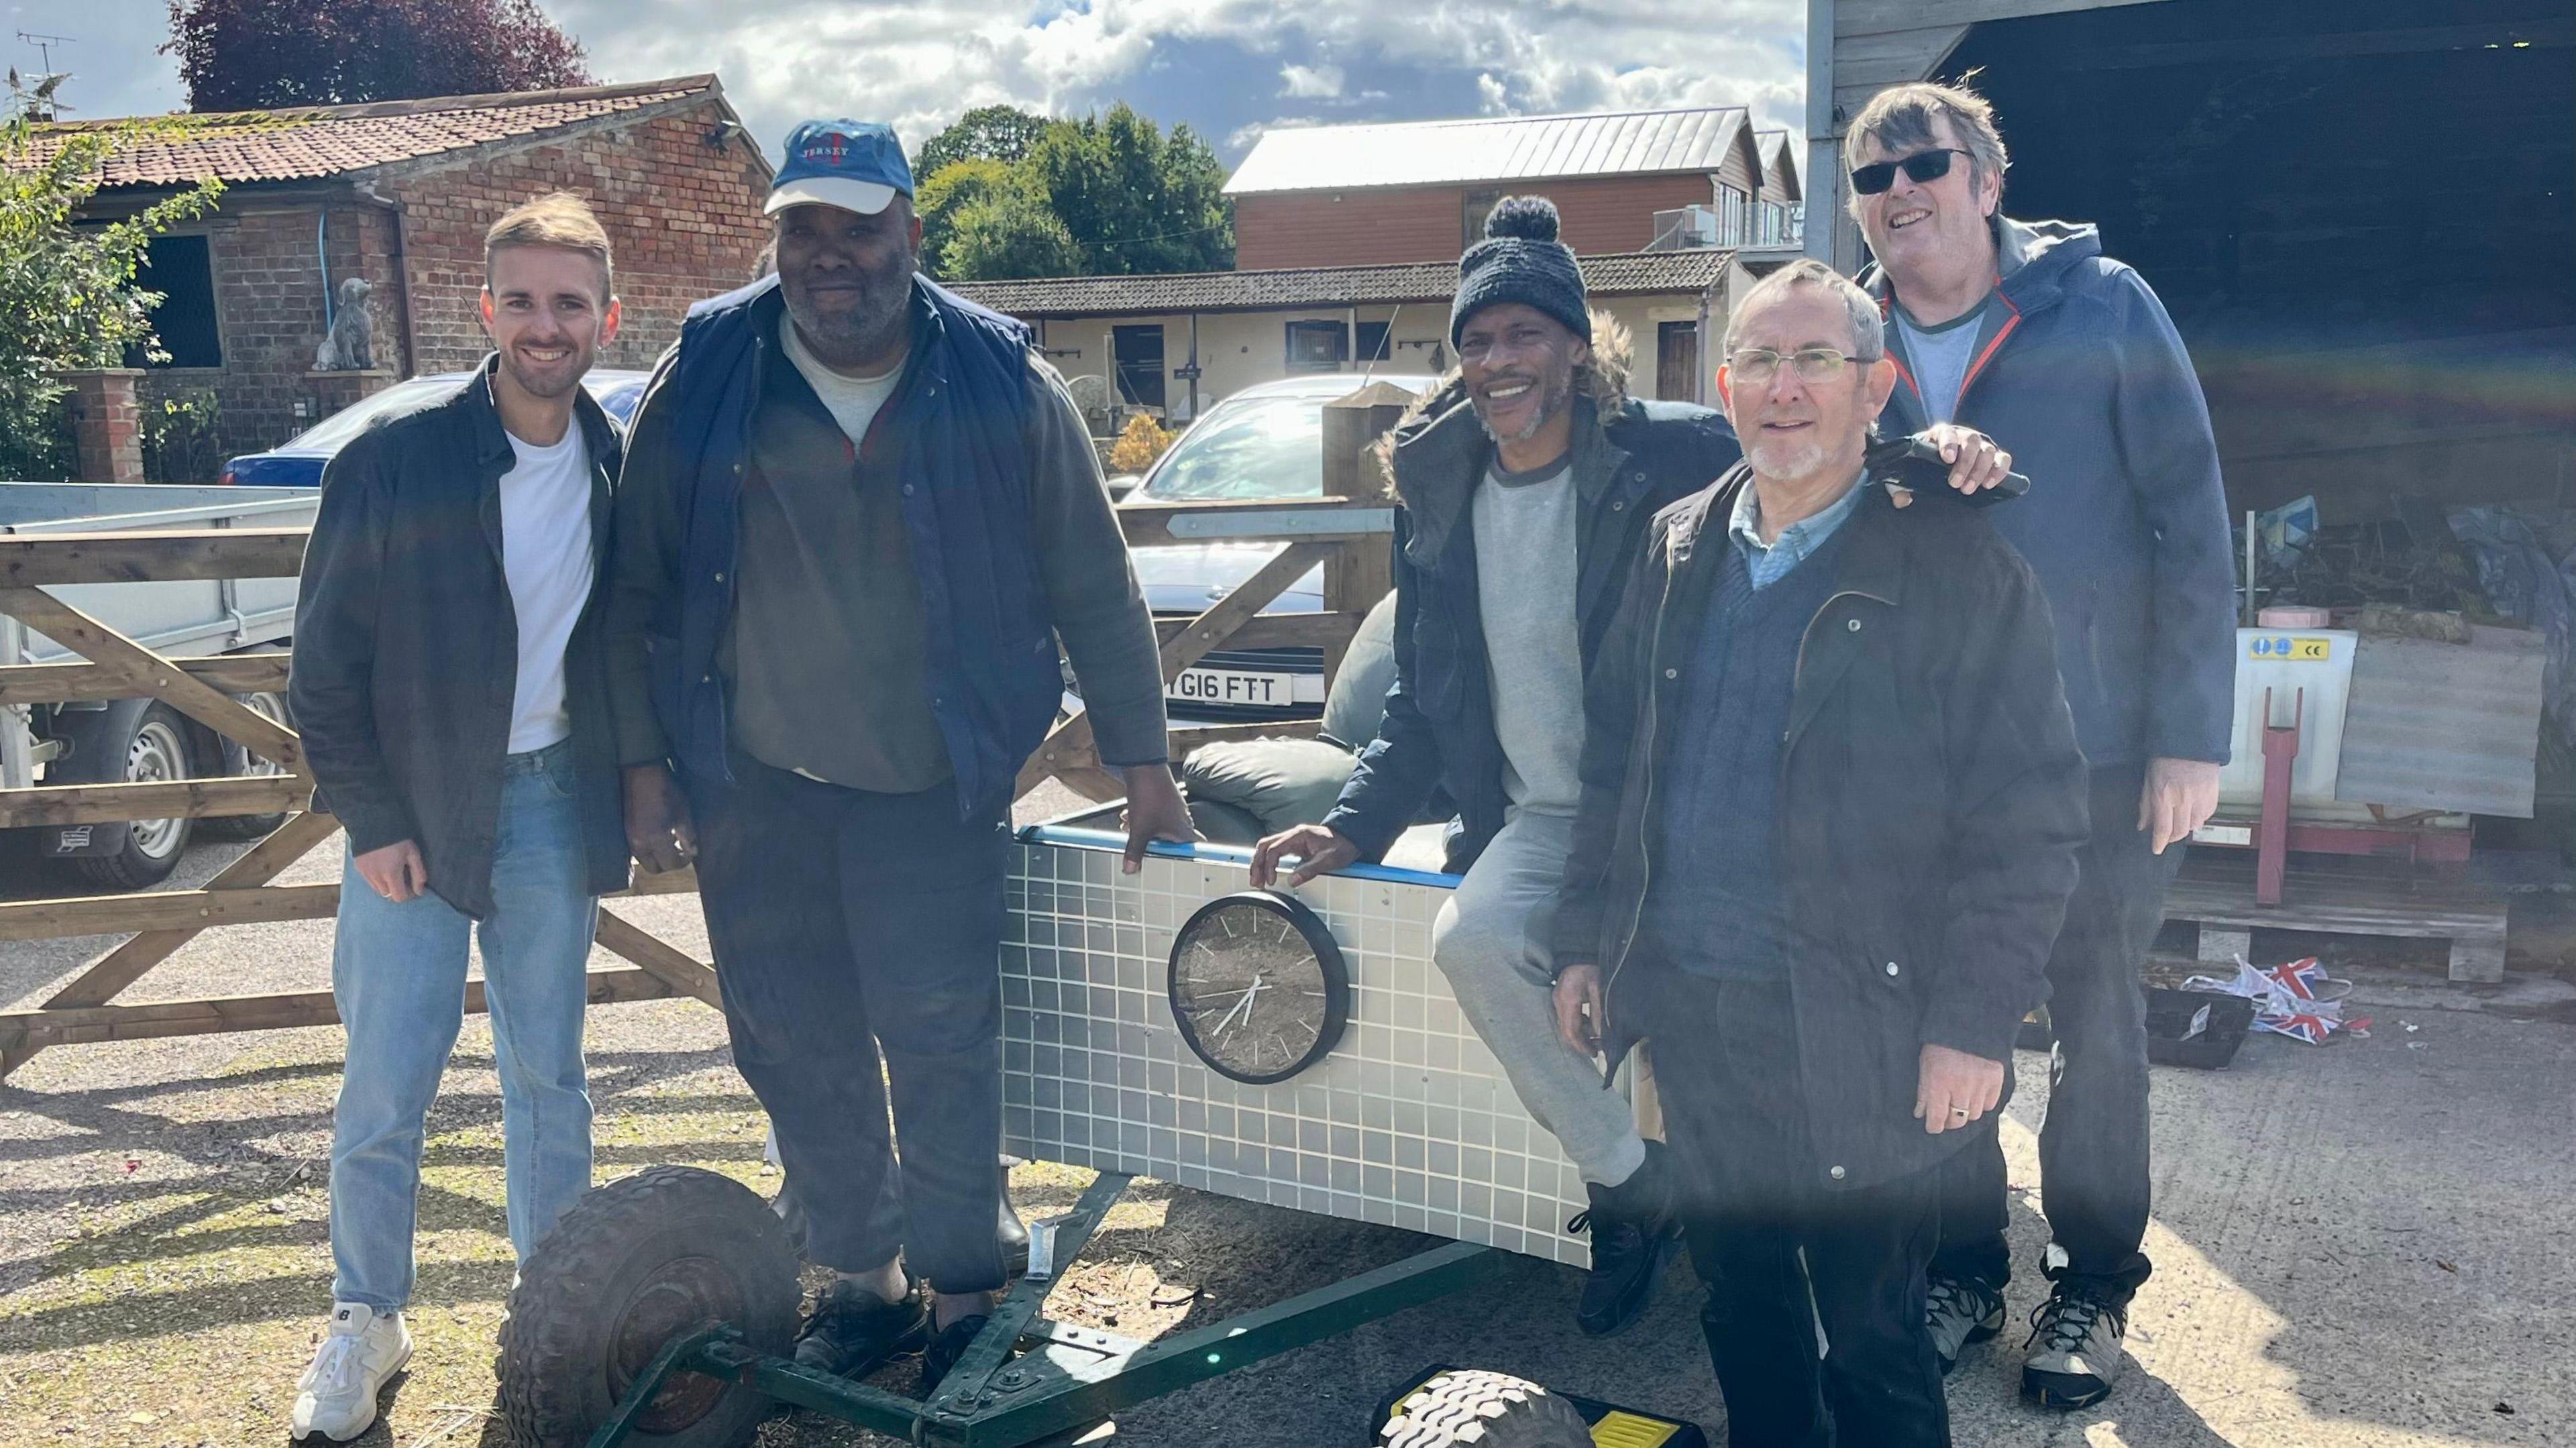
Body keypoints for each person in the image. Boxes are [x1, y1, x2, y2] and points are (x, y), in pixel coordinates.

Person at [1248, 197, 2012, 1337]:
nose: (1499, 361)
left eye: (1524, 335)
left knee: (1868, 998)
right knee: (1474, 939)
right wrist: (1355, 824)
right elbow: (1428, 685)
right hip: (1554, 815)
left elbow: (1805, 451)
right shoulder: (1437, 489)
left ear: (1576, 343)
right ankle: (1629, 1185)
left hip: (1690, 804)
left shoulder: (1670, 450)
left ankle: (1948, 1245)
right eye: (1477, 340)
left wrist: (1937, 451)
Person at [605, 119, 1187, 1393]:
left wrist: (1145, 758)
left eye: (858, 229)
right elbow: (637, 583)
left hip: (933, 785)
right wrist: (643, 765)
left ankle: (966, 1288)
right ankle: (861, 1286)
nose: (830, 258)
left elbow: (1094, 579)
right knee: (792, 1038)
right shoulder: (708, 369)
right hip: (753, 782)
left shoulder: (1000, 380)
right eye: (802, 230)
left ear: (912, 233)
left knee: (941, 1037)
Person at [1552, 258, 2090, 1447]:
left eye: (1815, 361)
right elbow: (1617, 766)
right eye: (1758, 360)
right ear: (1727, 384)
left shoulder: (1955, 565)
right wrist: (1587, 943)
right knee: (1742, 1307)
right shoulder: (1675, 545)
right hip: (1701, 1016)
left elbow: (2030, 816)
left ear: (1876, 386)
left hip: (1868, 1026)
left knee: (1876, 1339)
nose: (1783, 389)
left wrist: (1973, 1021)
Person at [1843, 81, 2238, 1408]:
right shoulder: (1851, 345)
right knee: (1932, 1013)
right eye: (1869, 175)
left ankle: (2091, 1283)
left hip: (2102, 748)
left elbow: (2191, 520)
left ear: (1987, 179)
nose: (1897, 190)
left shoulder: (2104, 306)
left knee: (2096, 1019)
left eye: (1923, 163)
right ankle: (1966, 1264)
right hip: (1922, 763)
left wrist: (2191, 732)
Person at [286, 192, 634, 1442]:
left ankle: (557, 1319)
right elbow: (319, 673)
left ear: (605, 316)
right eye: (525, 301)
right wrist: (372, 818)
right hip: (416, 817)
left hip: (549, 804)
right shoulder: (393, 459)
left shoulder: (615, 463)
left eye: (571, 303)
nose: (548, 325)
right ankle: (365, 1319)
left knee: (551, 1077)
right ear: (485, 310)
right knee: (386, 1083)